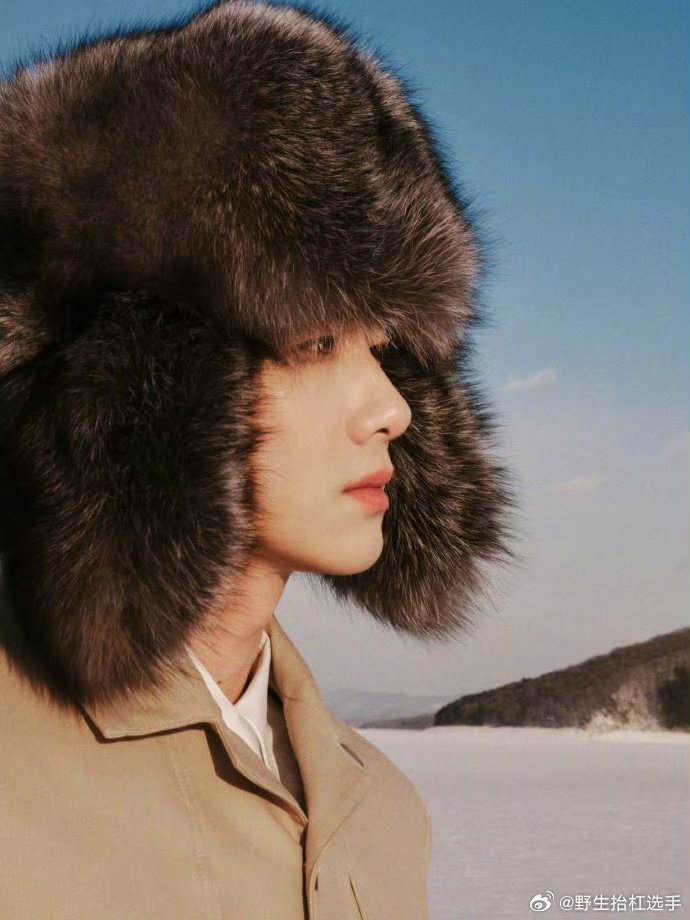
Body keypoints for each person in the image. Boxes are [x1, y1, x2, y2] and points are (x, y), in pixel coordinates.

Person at [0, 1, 518, 918]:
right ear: (150, 389)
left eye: (386, 348)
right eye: (317, 342)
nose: (394, 408)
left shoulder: (377, 808)